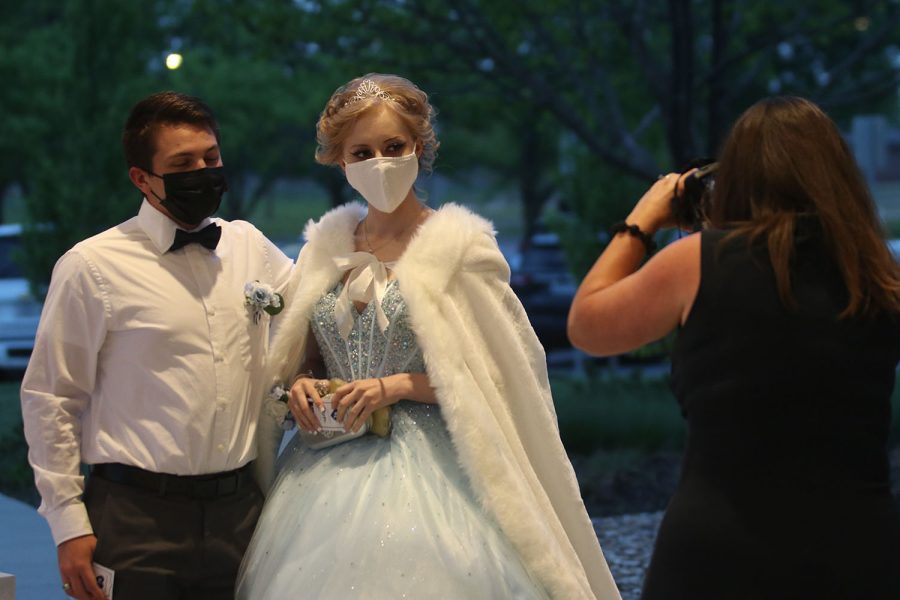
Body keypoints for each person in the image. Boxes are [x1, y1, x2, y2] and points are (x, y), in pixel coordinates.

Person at [236, 74, 620, 599]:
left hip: (436, 465)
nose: (380, 163)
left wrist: (394, 387)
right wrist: (302, 384)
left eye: (393, 146)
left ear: (418, 145)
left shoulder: (460, 250)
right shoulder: (323, 250)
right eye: (362, 152)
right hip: (324, 464)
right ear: (340, 162)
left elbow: (496, 376)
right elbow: (307, 357)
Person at [568, 96, 900, 599]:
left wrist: (641, 222)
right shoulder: (878, 275)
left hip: (721, 546)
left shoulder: (697, 262)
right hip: (859, 545)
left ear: (740, 178)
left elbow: (587, 327)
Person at [20, 91, 294, 600]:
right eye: (182, 163)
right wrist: (68, 523)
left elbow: (315, 314)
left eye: (210, 158)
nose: (203, 171)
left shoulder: (250, 246)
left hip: (242, 513)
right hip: (134, 515)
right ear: (142, 179)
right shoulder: (91, 266)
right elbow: (51, 399)